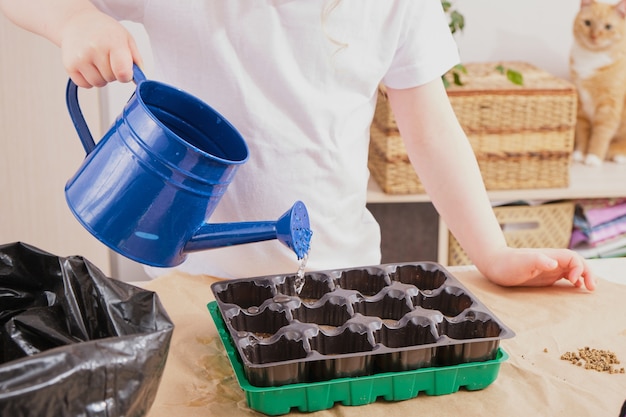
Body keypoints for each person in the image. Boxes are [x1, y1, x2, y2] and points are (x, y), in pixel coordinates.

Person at [0, 0, 596, 290]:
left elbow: (432, 132)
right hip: (194, 282)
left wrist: (492, 254)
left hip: (341, 275)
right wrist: (73, 19)